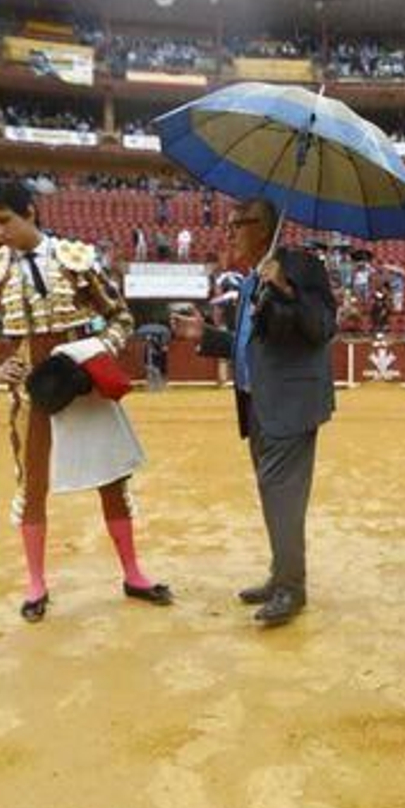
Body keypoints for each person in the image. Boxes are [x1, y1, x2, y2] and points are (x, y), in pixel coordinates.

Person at [0, 180, 172, 623]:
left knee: (112, 479)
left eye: (4, 221)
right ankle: (36, 584)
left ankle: (133, 574)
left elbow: (120, 316)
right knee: (32, 486)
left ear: (30, 212)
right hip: (30, 393)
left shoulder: (76, 259)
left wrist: (97, 352)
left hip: (83, 383)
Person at [169, 198, 337, 627]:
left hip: (290, 406)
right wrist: (203, 334)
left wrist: (286, 289)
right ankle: (281, 577)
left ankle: (291, 589)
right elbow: (252, 348)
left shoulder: (301, 267)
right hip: (258, 403)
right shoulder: (249, 282)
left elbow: (321, 328)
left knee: (282, 497)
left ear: (263, 227)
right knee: (273, 495)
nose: (230, 233)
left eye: (237, 224)